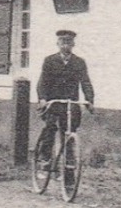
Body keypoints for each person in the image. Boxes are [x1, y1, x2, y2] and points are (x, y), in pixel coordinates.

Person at [35, 29, 96, 162]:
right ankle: (44, 157)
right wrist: (43, 99)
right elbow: (42, 82)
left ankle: (68, 168)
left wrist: (89, 100)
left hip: (70, 102)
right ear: (57, 44)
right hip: (53, 102)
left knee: (69, 132)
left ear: (73, 44)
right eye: (62, 42)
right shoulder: (50, 60)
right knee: (50, 127)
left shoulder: (79, 62)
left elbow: (85, 82)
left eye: (68, 43)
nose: (65, 46)